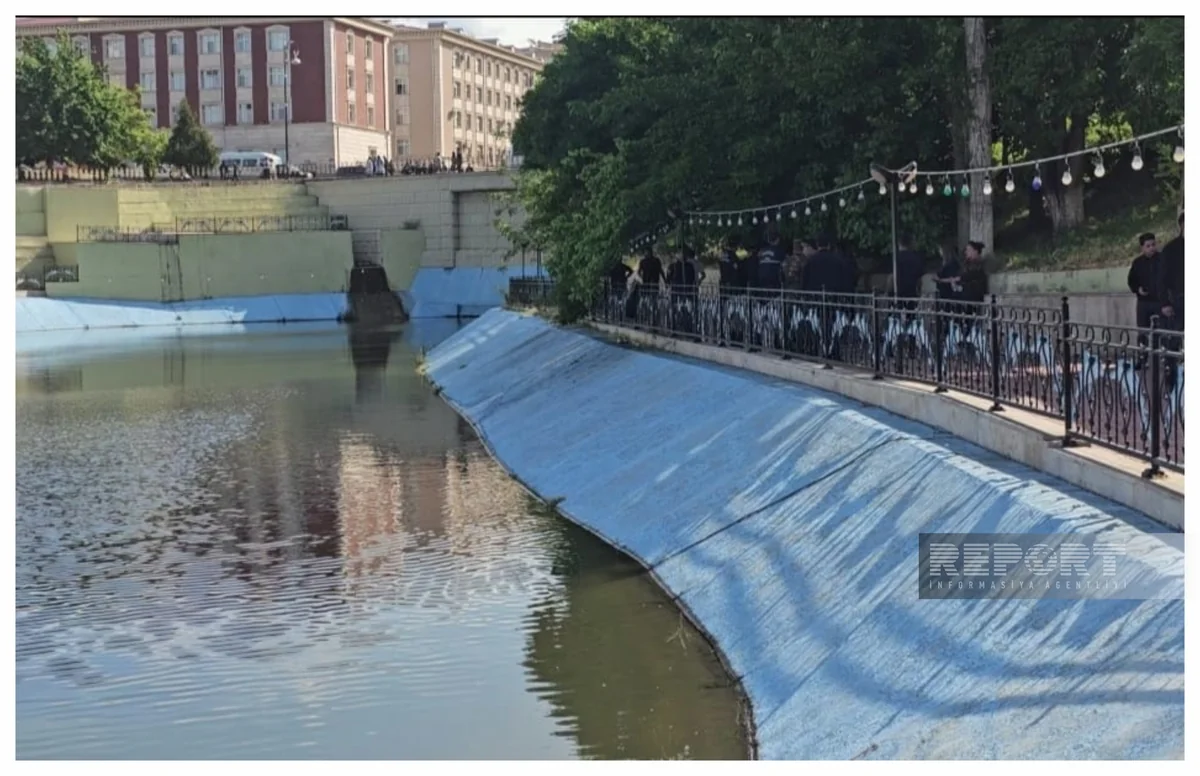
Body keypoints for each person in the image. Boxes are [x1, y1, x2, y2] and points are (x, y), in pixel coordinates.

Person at [1128, 232, 1165, 357]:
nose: (1151, 248)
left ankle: (1161, 358)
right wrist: (1138, 289)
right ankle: (1142, 357)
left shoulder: (1163, 259)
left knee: (1161, 332)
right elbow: (1131, 281)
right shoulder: (1137, 263)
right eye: (1148, 246)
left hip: (1160, 301)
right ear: (1142, 248)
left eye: (1153, 245)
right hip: (1143, 302)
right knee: (1142, 331)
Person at [894, 234, 926, 309]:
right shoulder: (916, 259)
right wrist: (919, 294)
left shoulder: (895, 258)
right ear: (911, 243)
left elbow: (891, 278)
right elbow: (919, 280)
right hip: (912, 294)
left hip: (897, 294)